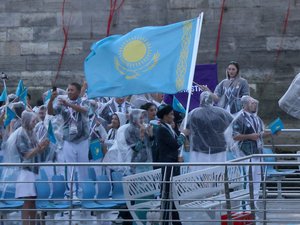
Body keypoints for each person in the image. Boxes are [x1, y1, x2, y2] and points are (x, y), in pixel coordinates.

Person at [6, 111, 49, 225]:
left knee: (33, 200)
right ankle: (26, 223)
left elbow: (36, 151)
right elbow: (26, 155)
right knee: (27, 201)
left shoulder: (31, 133)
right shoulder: (21, 134)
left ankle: (33, 223)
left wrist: (43, 147)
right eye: (33, 121)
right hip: (25, 172)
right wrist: (39, 147)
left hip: (33, 170)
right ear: (27, 121)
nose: (35, 123)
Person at [47, 82, 89, 199]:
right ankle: (71, 194)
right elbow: (50, 112)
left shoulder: (84, 101)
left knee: (83, 168)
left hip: (82, 140)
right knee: (70, 168)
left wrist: (69, 104)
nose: (69, 92)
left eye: (72, 90)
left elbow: (84, 110)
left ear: (78, 91)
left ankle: (84, 193)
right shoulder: (63, 102)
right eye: (68, 90)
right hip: (68, 140)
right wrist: (51, 100)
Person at [227, 95, 271, 203]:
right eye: (252, 103)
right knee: (247, 182)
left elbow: (260, 134)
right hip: (246, 154)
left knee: (257, 182)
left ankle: (253, 205)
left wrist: (272, 132)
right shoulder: (239, 118)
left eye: (255, 103)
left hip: (258, 153)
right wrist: (250, 136)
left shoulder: (257, 118)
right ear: (245, 104)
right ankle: (246, 207)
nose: (255, 105)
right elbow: (235, 136)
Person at [156, 104, 189, 225]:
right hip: (167, 166)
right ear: (165, 116)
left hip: (173, 164)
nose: (173, 116)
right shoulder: (161, 129)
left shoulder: (168, 127)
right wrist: (183, 134)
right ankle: (165, 221)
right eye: (170, 114)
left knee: (173, 195)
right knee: (167, 194)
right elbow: (175, 144)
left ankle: (176, 221)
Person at [187, 91, 233, 171]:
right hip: (219, 148)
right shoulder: (222, 112)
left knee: (200, 174)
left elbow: (186, 130)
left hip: (199, 149)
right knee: (218, 174)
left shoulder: (194, 113)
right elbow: (234, 124)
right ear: (212, 100)